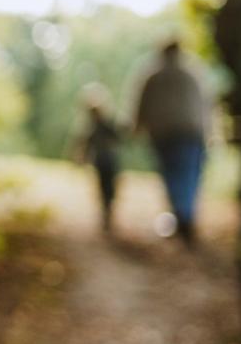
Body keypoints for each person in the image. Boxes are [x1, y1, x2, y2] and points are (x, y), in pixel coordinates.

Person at [132, 41, 209, 245]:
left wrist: (136, 129)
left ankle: (181, 216)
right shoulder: (192, 74)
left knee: (172, 177)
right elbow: (206, 107)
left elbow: (141, 105)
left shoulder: (153, 76)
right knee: (189, 177)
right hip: (191, 134)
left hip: (163, 134)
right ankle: (185, 215)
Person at [75, 87, 122, 233]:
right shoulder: (93, 127)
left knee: (109, 187)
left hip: (109, 160)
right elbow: (85, 143)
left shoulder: (107, 124)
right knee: (105, 187)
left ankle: (108, 211)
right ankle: (106, 212)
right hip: (102, 161)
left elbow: (119, 137)